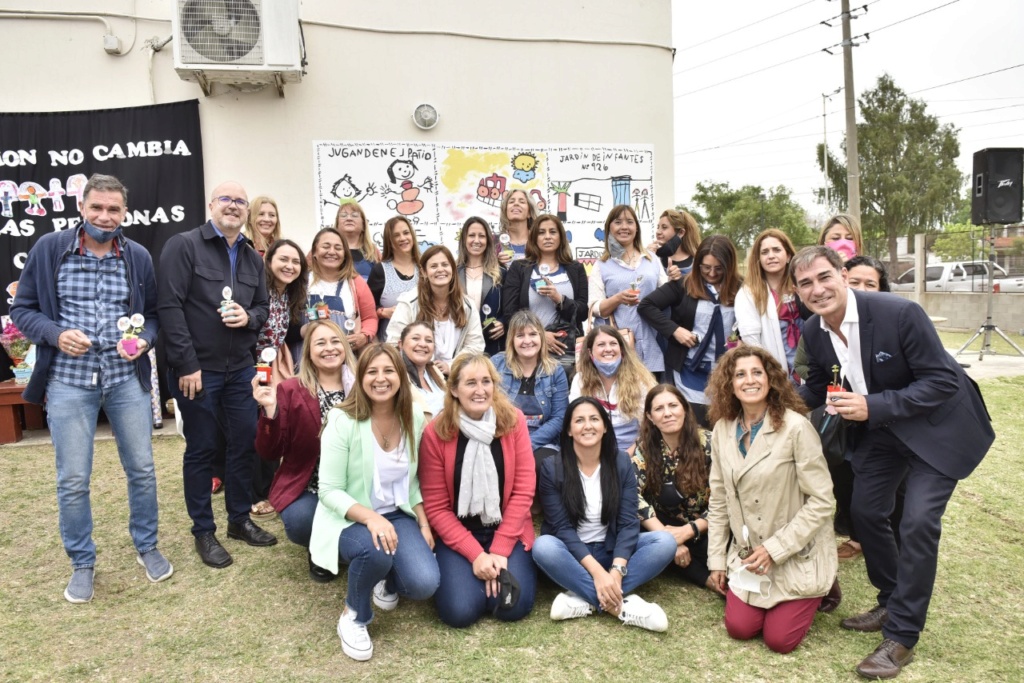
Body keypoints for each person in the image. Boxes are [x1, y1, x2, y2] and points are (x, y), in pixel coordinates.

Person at [793, 246, 994, 678]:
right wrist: (773, 404)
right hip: (883, 432)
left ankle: (902, 636)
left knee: (918, 522)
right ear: (797, 291)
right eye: (806, 282)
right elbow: (815, 386)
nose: (817, 289)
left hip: (938, 429)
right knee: (864, 511)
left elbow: (941, 381)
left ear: (844, 275)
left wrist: (872, 405)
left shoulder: (899, 314)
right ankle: (890, 600)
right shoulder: (813, 330)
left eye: (824, 276)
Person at [11, 173, 171, 602]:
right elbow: (23, 308)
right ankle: (82, 562)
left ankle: (147, 546)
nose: (105, 216)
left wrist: (144, 340)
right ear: (82, 208)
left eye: (114, 209)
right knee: (73, 478)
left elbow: (152, 315)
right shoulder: (50, 249)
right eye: (97, 207)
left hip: (125, 380)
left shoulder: (136, 256)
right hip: (68, 382)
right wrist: (54, 333)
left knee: (141, 470)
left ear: (124, 212)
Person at [158, 180, 275, 568]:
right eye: (226, 199)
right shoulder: (184, 245)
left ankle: (238, 521)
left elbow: (262, 309)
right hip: (198, 372)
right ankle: (203, 532)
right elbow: (169, 307)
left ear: (246, 212)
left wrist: (248, 318)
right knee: (204, 449)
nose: (233, 206)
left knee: (245, 445)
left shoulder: (252, 259)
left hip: (240, 370)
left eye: (240, 202)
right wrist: (185, 364)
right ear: (211, 205)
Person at [309, 343, 439, 661]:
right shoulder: (342, 420)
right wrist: (370, 518)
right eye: (371, 372)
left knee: (424, 583)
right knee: (375, 549)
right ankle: (354, 615)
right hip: (349, 517)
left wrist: (423, 523)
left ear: (400, 376)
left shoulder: (412, 417)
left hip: (398, 514)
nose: (380, 379)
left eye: (388, 371)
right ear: (360, 377)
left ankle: (385, 582)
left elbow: (415, 480)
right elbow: (328, 490)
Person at [705, 346, 837, 654]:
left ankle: (823, 584)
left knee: (779, 641)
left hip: (793, 551)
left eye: (756, 373)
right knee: (739, 629)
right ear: (730, 384)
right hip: (749, 557)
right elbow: (720, 500)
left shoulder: (796, 428)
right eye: (740, 374)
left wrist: (775, 550)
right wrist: (717, 561)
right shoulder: (723, 429)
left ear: (771, 379)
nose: (749, 380)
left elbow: (822, 500)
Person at [532, 397, 675, 631]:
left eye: (594, 419)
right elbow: (562, 529)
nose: (587, 426)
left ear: (605, 426)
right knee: (543, 547)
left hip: (612, 551)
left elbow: (629, 522)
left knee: (665, 541)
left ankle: (585, 598)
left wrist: (616, 572)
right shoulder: (552, 468)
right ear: (568, 430)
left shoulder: (620, 462)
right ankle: (621, 606)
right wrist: (598, 574)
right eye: (579, 420)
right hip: (573, 555)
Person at [418, 353, 537, 627]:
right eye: (470, 383)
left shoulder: (513, 422)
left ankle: (492, 573)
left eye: (486, 381)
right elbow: (436, 507)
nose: (480, 390)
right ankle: (466, 576)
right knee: (460, 612)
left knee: (511, 606)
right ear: (454, 389)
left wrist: (499, 550)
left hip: (506, 529)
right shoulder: (437, 432)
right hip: (459, 533)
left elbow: (523, 492)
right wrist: (477, 555)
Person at [252, 319, 355, 581]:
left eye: (335, 341)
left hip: (354, 483)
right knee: (300, 522)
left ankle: (344, 548)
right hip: (308, 484)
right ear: (308, 351)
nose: (329, 348)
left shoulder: (361, 386)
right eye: (320, 343)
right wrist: (270, 410)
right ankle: (318, 547)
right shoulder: (290, 389)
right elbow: (270, 452)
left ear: (344, 346)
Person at [638, 235, 742, 426]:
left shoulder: (741, 289)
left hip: (729, 370)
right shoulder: (683, 285)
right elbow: (646, 306)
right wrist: (675, 330)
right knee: (696, 427)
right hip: (691, 370)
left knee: (728, 426)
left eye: (718, 268)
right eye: (705, 267)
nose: (711, 273)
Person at [632, 384, 720, 593]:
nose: (667, 413)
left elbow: (724, 499)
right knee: (629, 529)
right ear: (650, 417)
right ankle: (703, 578)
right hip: (662, 524)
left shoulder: (710, 443)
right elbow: (632, 495)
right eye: (659, 409)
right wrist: (668, 539)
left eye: (673, 405)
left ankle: (674, 557)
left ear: (685, 409)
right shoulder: (645, 446)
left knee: (716, 546)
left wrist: (688, 531)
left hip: (705, 525)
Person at [250, 238, 309, 520]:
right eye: (283, 259)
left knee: (278, 422)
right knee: (258, 427)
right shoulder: (256, 289)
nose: (289, 265)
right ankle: (258, 493)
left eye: (295, 261)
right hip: (252, 364)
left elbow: (289, 331)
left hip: (276, 364)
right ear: (269, 261)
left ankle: (273, 488)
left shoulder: (291, 294)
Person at [588, 204, 668, 378]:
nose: (624, 227)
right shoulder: (601, 265)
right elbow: (594, 308)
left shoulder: (651, 259)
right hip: (617, 350)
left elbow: (666, 294)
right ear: (610, 228)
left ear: (636, 228)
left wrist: (674, 282)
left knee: (651, 401)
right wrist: (617, 299)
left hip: (653, 346)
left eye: (630, 222)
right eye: (618, 222)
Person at [502, 214, 588, 373]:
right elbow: (509, 313)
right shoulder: (519, 268)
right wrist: (540, 336)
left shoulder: (575, 269)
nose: (547, 237)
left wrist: (559, 299)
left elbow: (582, 312)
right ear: (534, 237)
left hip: (566, 351)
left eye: (552, 232)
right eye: (541, 232)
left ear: (561, 237)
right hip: (528, 349)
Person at [491, 311, 569, 480]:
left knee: (546, 467)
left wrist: (527, 443)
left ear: (541, 337)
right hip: (503, 437)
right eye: (520, 335)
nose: (527, 341)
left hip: (542, 440)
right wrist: (510, 441)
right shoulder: (496, 364)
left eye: (533, 334)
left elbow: (559, 417)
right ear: (512, 340)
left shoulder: (556, 371)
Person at [385, 245, 484, 374]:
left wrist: (451, 366)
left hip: (456, 376)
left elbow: (475, 345)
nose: (440, 270)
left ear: (453, 270)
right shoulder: (408, 303)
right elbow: (393, 344)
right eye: (433, 266)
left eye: (445, 265)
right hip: (417, 376)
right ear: (424, 272)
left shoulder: (468, 306)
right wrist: (422, 366)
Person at [569, 326, 656, 455]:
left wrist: (627, 457)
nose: (608, 349)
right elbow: (576, 423)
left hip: (636, 451)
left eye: (613, 343)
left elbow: (650, 427)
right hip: (593, 452)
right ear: (590, 352)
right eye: (601, 344)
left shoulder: (640, 379)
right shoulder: (580, 380)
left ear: (621, 350)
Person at [735, 229, 802, 378]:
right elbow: (751, 338)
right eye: (765, 252)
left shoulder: (802, 284)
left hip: (808, 361)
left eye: (777, 250)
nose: (771, 256)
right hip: (775, 367)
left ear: (788, 255)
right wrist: (770, 369)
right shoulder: (748, 293)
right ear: (758, 259)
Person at [306, 227, 377, 354]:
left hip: (345, 356)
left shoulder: (355, 282)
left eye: (338, 248)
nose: (332, 252)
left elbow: (370, 317)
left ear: (345, 254)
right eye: (326, 246)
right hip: (306, 355)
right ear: (314, 252)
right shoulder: (302, 282)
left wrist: (364, 336)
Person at [456, 216, 505, 355]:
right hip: (461, 344)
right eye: (471, 235)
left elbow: (512, 307)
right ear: (464, 239)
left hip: (493, 345)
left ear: (488, 241)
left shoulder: (501, 273)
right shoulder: (452, 273)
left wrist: (504, 323)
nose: (476, 240)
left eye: (481, 236)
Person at [368, 216, 420, 342]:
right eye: (396, 235)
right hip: (390, 348)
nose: (402, 238)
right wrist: (382, 312)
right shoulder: (380, 271)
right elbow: (366, 311)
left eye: (406, 233)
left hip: (423, 347)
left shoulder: (424, 267)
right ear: (389, 241)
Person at [398, 321, 446, 417]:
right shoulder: (397, 376)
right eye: (415, 338)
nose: (423, 344)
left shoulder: (435, 371)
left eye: (428, 340)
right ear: (401, 344)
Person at [648, 208, 701, 279]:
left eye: (664, 227)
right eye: (658, 227)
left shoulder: (697, 262)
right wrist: (646, 260)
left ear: (681, 232)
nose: (658, 232)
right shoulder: (654, 258)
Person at [333, 200, 379, 280]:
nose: (349, 218)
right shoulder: (325, 249)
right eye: (343, 215)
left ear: (363, 224)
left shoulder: (373, 251)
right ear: (337, 224)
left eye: (354, 215)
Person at [495, 188, 537, 265]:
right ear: (505, 211)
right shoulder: (494, 242)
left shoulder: (539, 241)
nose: (516, 204)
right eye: (511, 201)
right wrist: (496, 263)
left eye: (522, 202)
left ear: (529, 213)